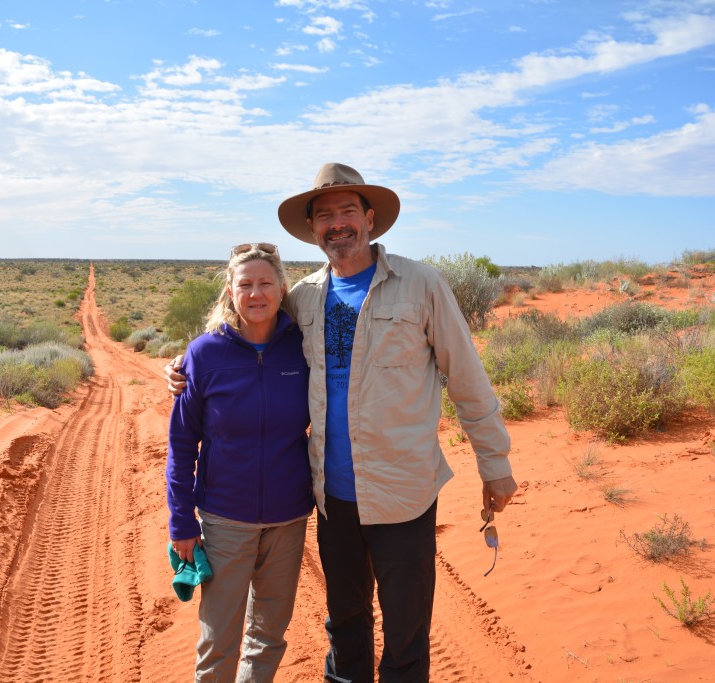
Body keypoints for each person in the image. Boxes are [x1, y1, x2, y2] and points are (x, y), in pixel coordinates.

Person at [168, 163, 518, 683]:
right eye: (325, 215)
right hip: (334, 499)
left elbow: (467, 379)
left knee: (406, 632)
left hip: (404, 492)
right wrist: (182, 367)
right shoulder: (303, 298)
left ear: (370, 219)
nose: (337, 224)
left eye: (348, 211)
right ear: (313, 230)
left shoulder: (420, 285)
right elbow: (246, 328)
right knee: (347, 626)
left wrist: (495, 462)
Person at [167, 242, 314, 683]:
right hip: (225, 517)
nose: (256, 293)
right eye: (245, 284)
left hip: (289, 517)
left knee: (269, 634)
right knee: (219, 640)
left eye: (265, 283)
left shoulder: (302, 349)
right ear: (229, 291)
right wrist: (181, 523)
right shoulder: (204, 354)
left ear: (282, 288)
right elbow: (181, 443)